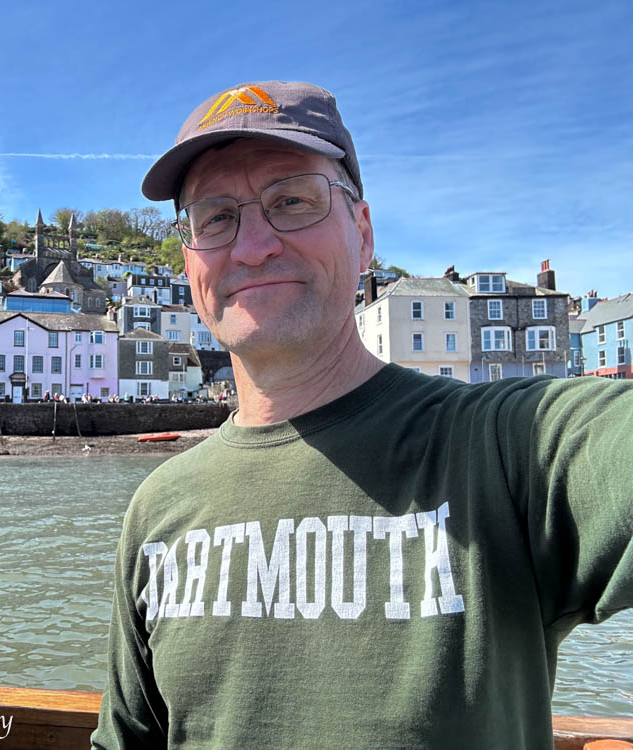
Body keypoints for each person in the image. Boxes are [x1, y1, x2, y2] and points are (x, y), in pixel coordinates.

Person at [91, 81, 633, 749]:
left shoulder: (503, 449)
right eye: (216, 217)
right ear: (189, 257)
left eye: (292, 200)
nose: (252, 246)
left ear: (363, 232)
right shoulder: (156, 509)